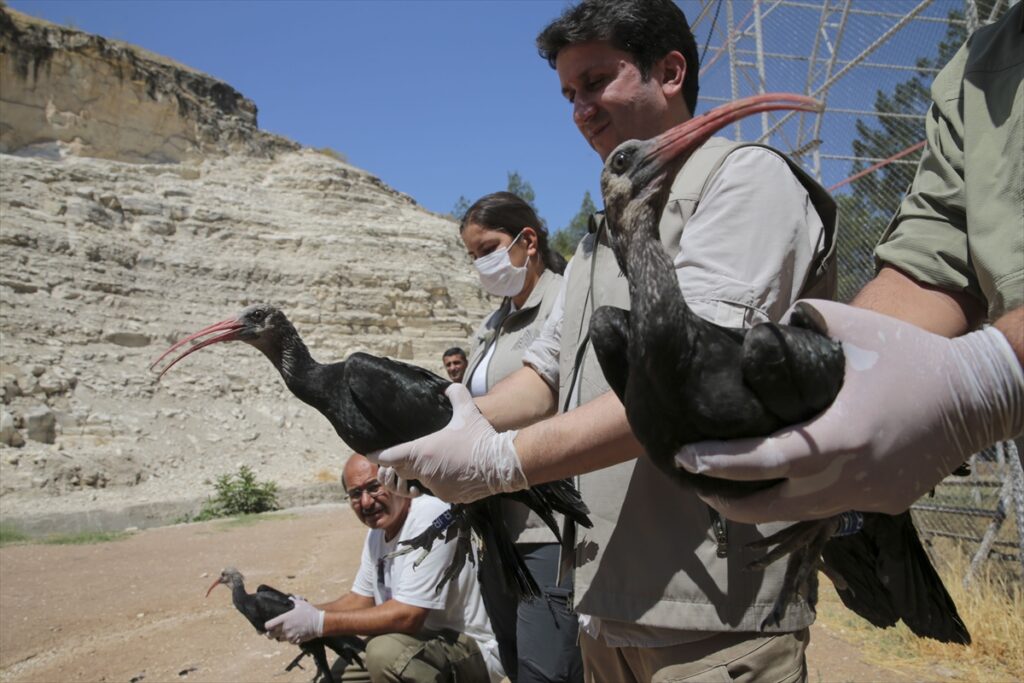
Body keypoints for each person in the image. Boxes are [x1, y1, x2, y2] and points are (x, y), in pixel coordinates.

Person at [373, 1, 838, 680]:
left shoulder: (743, 181)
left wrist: (500, 462)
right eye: (569, 94)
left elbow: (683, 386)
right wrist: (439, 428)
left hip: (713, 611)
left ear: (670, 72)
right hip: (606, 606)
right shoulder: (599, 239)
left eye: (595, 82)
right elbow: (544, 375)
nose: (580, 111)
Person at [673, 1, 1024, 525]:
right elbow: (934, 262)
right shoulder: (982, 65)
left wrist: (992, 375)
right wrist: (835, 379)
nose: (581, 112)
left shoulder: (745, 178)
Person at [458, 191, 581, 683]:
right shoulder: (490, 326)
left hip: (546, 527)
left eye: (488, 248)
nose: (481, 264)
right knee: (515, 665)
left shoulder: (567, 299)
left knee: (546, 670)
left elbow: (548, 398)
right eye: (473, 256)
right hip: (495, 529)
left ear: (528, 240)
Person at [265, 454, 504, 682]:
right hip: (419, 643)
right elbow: (361, 599)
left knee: (383, 653)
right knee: (343, 673)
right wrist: (300, 611)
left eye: (374, 487)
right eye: (355, 494)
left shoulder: (432, 516)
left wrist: (318, 623)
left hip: (471, 649)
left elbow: (408, 616)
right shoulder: (377, 533)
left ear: (396, 481)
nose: (366, 502)